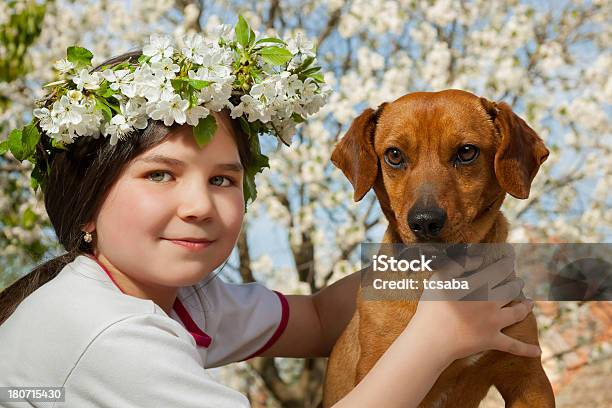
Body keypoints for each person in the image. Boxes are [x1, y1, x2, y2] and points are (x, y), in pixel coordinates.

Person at [0, 20, 539, 408]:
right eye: (160, 174)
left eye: (222, 180)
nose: (198, 205)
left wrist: (455, 269)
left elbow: (320, 318)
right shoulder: (109, 337)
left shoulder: (184, 300)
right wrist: (435, 336)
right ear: (86, 207)